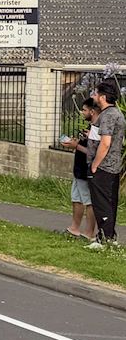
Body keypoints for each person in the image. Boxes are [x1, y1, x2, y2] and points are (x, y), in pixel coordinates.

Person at [87, 81, 124, 249]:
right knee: (109, 202)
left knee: (101, 202)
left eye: (95, 94)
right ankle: (109, 236)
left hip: (104, 166)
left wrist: (95, 164)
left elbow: (106, 143)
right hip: (112, 165)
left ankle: (104, 237)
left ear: (102, 97)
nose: (93, 96)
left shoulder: (108, 115)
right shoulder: (115, 113)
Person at [61, 99, 99, 240]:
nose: (82, 112)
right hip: (79, 169)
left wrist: (76, 146)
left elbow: (93, 152)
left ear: (92, 111)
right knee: (76, 198)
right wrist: (77, 142)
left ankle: (89, 232)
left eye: (84, 110)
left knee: (89, 201)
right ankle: (74, 228)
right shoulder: (91, 127)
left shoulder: (98, 128)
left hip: (86, 169)